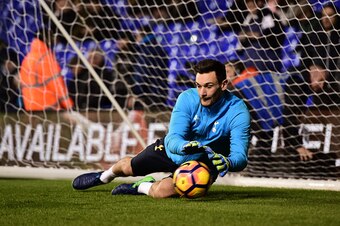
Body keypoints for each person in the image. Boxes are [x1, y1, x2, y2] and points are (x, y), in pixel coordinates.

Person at [72, 59, 251, 198]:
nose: (202, 92)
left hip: (203, 162)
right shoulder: (186, 99)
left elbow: (240, 156)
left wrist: (228, 163)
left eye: (209, 86)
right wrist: (183, 146)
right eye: (198, 85)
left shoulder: (238, 111)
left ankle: (141, 187)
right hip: (174, 151)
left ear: (224, 84)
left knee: (164, 192)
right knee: (127, 168)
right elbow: (173, 138)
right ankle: (104, 176)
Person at [19, 29, 74, 111]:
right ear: (47, 38)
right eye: (52, 37)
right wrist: (69, 106)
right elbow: (56, 84)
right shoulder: (45, 58)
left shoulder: (27, 59)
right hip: (49, 108)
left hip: (30, 108)